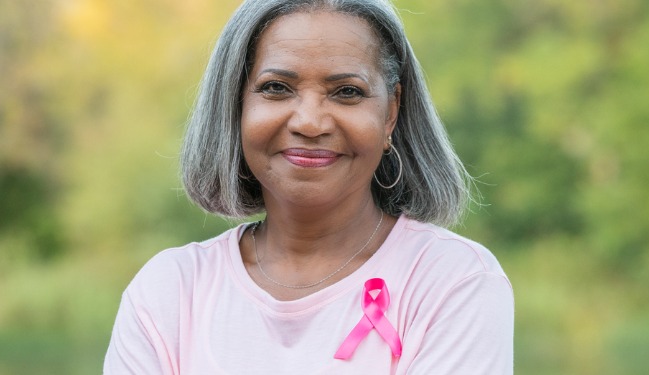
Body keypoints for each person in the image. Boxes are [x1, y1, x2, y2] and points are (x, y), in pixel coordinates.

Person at [103, 0, 513, 373]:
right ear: (236, 105)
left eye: (347, 92)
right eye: (276, 88)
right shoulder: (170, 292)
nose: (310, 122)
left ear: (390, 112)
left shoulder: (452, 282)